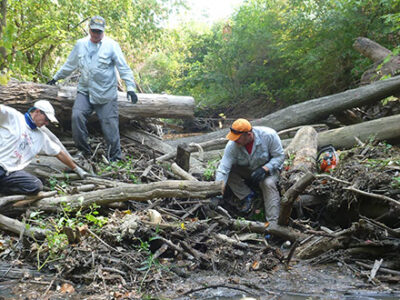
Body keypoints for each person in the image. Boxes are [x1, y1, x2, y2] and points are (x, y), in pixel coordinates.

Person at [47, 16, 138, 161]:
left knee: (110, 125)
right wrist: (56, 78)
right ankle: (84, 151)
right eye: (94, 31)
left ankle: (115, 157)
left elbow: (123, 67)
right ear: (89, 29)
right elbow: (69, 64)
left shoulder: (112, 45)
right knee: (77, 116)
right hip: (85, 90)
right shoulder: (80, 44)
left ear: (103, 31)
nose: (96, 35)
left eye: (99, 32)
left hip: (105, 93)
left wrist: (131, 88)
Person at [0, 101, 88, 195]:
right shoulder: (14, 117)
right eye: (46, 119)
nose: (46, 123)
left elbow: (59, 153)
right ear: (37, 111)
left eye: (48, 121)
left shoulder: (41, 137)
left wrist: (77, 169)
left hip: (11, 172)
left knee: (35, 186)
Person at [215, 118, 285, 224]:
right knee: (228, 171)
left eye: (238, 138)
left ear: (248, 134)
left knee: (268, 183)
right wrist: (217, 192)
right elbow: (223, 169)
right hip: (248, 170)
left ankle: (273, 224)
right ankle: (247, 195)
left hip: (269, 171)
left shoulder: (269, 135)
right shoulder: (232, 145)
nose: (235, 140)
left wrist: (265, 169)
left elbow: (279, 157)